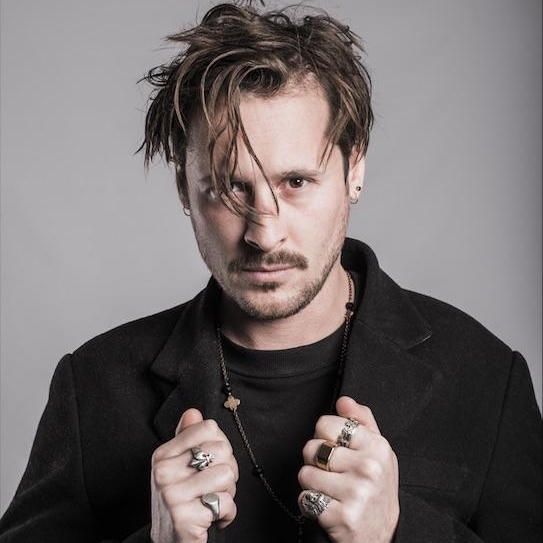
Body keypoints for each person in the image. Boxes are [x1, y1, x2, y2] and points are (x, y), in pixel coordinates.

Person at [0, 2, 541, 542]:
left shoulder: (486, 377)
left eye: (296, 183)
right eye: (229, 188)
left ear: (354, 169)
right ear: (184, 189)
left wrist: (401, 531)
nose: (264, 233)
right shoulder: (93, 386)